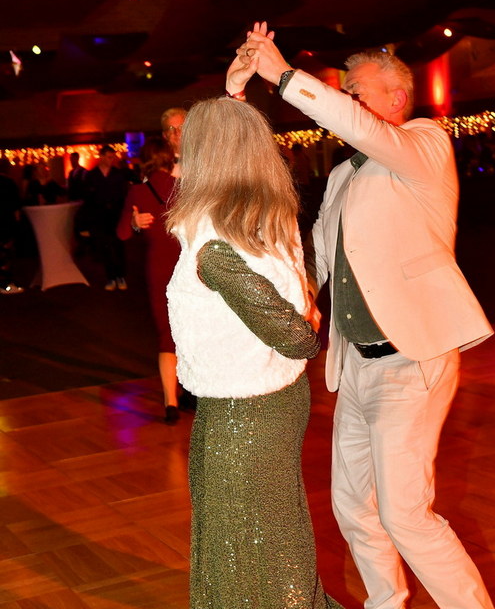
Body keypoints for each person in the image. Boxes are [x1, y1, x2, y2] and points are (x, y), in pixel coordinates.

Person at [239, 22, 495, 609]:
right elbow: (316, 258)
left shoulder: (424, 144)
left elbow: (356, 126)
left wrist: (284, 76)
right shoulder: (342, 174)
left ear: (397, 98)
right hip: (354, 362)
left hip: (411, 358)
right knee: (353, 506)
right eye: (344, 90)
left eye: (355, 90)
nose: (347, 99)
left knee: (406, 514)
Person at [165, 49, 342, 608]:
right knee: (260, 542)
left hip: (243, 416)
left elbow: (296, 337)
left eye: (188, 152)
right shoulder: (264, 216)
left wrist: (302, 318)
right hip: (270, 400)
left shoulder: (216, 246)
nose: (178, 164)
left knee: (252, 553)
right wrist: (234, 95)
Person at [116, 137, 184, 424]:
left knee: (166, 335)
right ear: (171, 159)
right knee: (195, 329)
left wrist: (134, 223)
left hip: (158, 269)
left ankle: (171, 403)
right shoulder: (187, 188)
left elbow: (122, 234)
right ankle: (195, 391)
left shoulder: (137, 192)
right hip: (189, 266)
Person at [84, 145, 129, 290]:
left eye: (113, 157)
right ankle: (111, 277)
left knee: (118, 245)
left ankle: (120, 276)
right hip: (99, 216)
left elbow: (123, 195)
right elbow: (88, 200)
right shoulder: (92, 175)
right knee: (105, 247)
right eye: (109, 157)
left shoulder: (117, 174)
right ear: (101, 157)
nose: (112, 160)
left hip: (116, 215)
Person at [0, 159, 24, 294]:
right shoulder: (9, 183)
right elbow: (16, 206)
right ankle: (5, 284)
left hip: (5, 223)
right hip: (6, 223)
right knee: (6, 254)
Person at [160, 107, 186, 177]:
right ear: (165, 135)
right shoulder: (159, 166)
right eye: (171, 128)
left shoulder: (205, 159)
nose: (177, 132)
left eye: (181, 127)